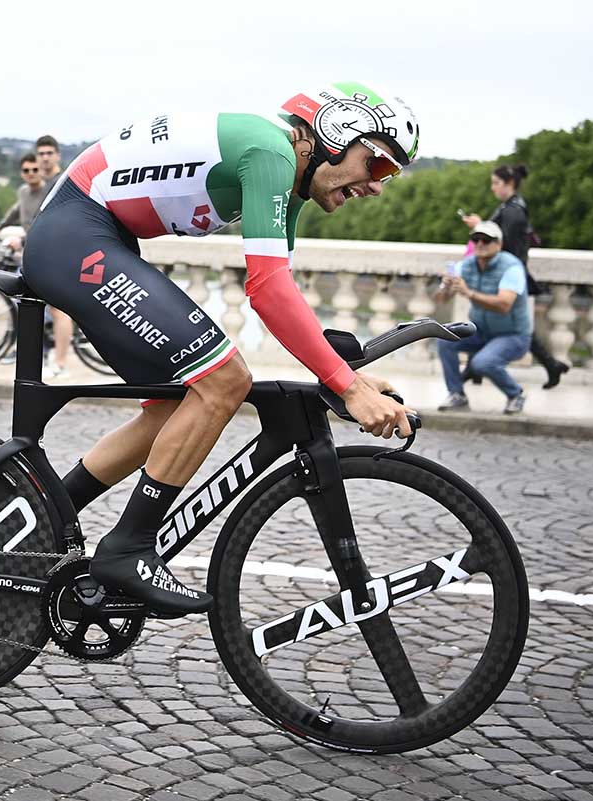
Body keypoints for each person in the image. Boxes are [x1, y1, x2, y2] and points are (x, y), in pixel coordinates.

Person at [22, 83, 418, 614]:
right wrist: (347, 387)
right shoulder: (270, 154)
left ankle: (43, 516)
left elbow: (283, 296)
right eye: (379, 166)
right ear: (337, 132)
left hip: (92, 236)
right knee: (225, 381)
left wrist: (350, 377)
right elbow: (268, 292)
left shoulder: (285, 174)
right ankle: (128, 547)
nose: (377, 187)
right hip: (77, 237)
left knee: (171, 412)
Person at [462, 164, 569, 389]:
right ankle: (550, 365)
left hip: (507, 277)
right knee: (499, 323)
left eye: (496, 183)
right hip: (508, 274)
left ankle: (473, 371)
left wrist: (480, 226)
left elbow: (501, 244)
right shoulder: (513, 207)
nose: (492, 188)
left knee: (507, 326)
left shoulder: (513, 211)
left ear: (509, 184)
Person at [434, 221, 531, 415]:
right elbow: (439, 300)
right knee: (444, 339)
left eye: (486, 240)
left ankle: (516, 394)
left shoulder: (511, 267)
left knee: (482, 362)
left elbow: (504, 305)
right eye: (475, 239)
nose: (480, 244)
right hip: (482, 330)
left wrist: (469, 293)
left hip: (512, 335)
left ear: (499, 244)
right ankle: (456, 394)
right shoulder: (466, 264)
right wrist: (445, 287)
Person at [34, 135, 74, 377]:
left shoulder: (63, 180)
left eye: (49, 153)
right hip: (45, 251)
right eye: (42, 153)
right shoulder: (39, 183)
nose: (45, 157)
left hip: (62, 251)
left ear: (57, 155)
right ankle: (50, 357)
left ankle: (60, 363)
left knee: (59, 310)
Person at [0, 153, 48, 240]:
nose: (31, 173)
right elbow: (15, 212)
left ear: (42, 171)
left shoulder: (49, 193)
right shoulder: (23, 191)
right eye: (26, 170)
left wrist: (22, 241)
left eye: (35, 170)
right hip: (28, 241)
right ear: (21, 173)